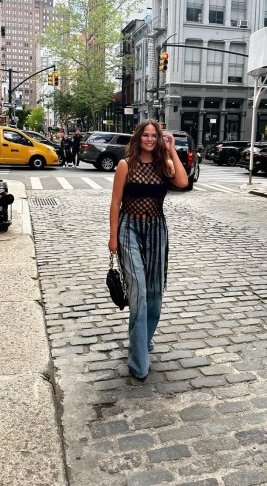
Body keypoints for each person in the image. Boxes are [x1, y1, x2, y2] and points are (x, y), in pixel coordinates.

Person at [108, 119, 188, 380]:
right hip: (129, 229)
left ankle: (145, 338)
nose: (150, 139)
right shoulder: (125, 165)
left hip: (156, 232)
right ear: (138, 138)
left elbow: (183, 182)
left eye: (155, 136)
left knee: (154, 292)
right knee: (139, 292)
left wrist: (172, 149)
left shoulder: (163, 166)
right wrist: (113, 238)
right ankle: (138, 361)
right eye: (146, 135)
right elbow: (115, 203)